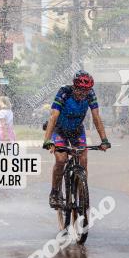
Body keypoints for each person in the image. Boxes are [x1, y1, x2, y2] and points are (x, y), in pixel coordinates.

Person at [42, 71, 110, 208]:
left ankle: (82, 190)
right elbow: (53, 117)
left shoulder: (90, 94)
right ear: (74, 86)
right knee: (61, 160)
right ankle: (55, 192)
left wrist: (104, 140)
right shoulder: (64, 92)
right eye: (80, 90)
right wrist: (47, 140)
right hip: (59, 130)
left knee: (83, 159)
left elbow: (96, 117)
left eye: (86, 91)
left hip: (77, 131)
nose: (82, 94)